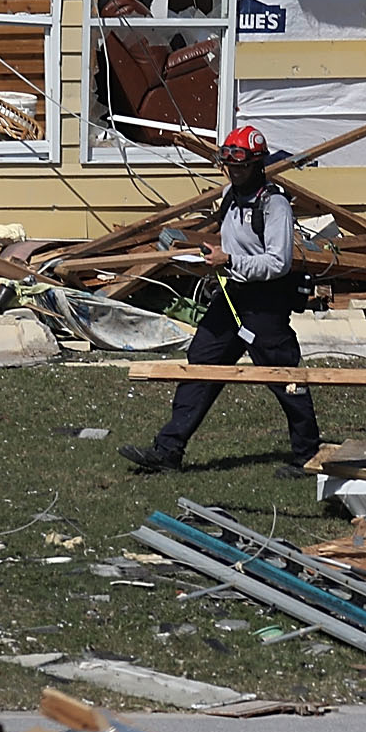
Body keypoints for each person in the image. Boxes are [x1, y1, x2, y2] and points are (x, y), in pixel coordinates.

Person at [121, 126, 320, 473]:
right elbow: (230, 243)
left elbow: (278, 262)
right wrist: (212, 259)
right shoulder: (230, 195)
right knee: (200, 364)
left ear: (258, 164)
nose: (235, 172)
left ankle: (308, 455)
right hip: (230, 296)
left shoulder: (274, 205)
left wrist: (229, 261)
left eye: (241, 166)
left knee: (283, 376)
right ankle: (168, 451)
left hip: (265, 304)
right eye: (230, 166)